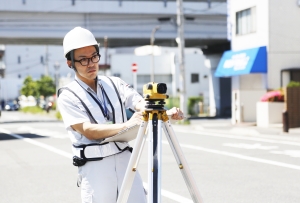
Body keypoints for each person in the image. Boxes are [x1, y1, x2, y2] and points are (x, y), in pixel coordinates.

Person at [57, 26, 184, 203]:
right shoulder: (67, 95)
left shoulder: (114, 83)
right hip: (95, 168)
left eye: (94, 56)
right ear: (70, 63)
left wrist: (164, 112)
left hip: (126, 161)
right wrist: (127, 126)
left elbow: (140, 103)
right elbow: (87, 130)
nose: (91, 63)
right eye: (83, 60)